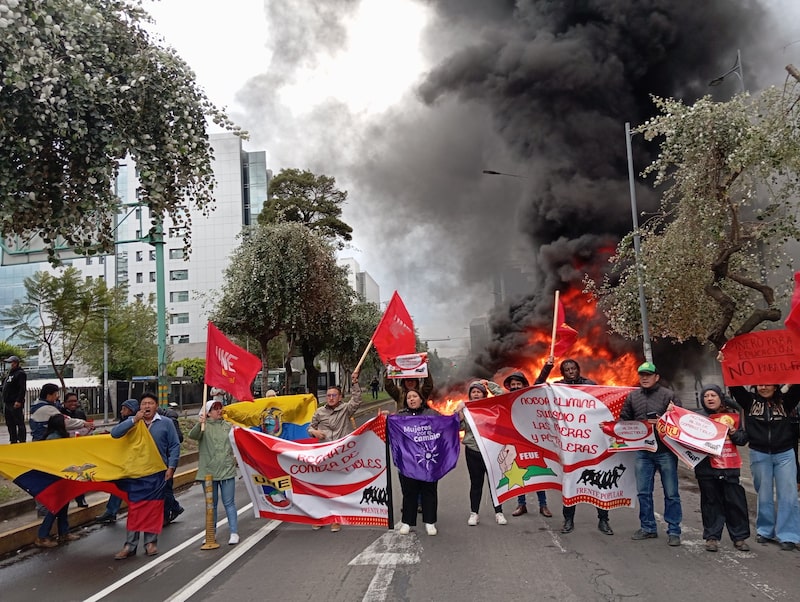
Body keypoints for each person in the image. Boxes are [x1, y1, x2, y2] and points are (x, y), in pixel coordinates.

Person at [729, 382, 800, 551]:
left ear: (776, 386)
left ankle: (788, 535)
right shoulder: (749, 401)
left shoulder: (786, 401)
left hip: (785, 454)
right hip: (759, 453)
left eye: (768, 384)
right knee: (764, 493)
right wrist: (725, 361)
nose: (764, 388)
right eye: (760, 384)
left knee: (788, 494)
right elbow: (734, 384)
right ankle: (765, 530)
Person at [619, 361, 683, 546]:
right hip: (643, 452)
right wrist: (611, 428)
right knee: (643, 492)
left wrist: (666, 418)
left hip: (665, 452)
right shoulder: (633, 397)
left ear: (656, 377)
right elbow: (625, 420)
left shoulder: (668, 396)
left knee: (671, 493)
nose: (644, 378)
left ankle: (674, 531)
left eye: (648, 375)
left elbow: (680, 423)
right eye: (642, 375)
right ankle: (648, 527)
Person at [111, 391, 180, 559]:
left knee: (153, 508)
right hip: (136, 474)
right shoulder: (132, 422)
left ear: (156, 406)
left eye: (150, 403)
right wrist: (134, 420)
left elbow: (174, 445)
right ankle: (130, 545)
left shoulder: (166, 423)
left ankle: (150, 542)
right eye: (143, 404)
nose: (147, 406)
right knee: (134, 509)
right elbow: (115, 433)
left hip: (157, 473)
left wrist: (171, 467)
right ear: (139, 407)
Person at [552, 359, 612, 536]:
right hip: (570, 444)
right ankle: (568, 520)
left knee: (599, 482)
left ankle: (603, 520)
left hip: (591, 442)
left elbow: (602, 406)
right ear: (563, 373)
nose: (571, 371)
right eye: (567, 369)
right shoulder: (557, 387)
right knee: (570, 482)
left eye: (573, 368)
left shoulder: (591, 386)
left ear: (579, 369)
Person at [694, 384, 750, 552]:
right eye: (706, 396)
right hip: (706, 469)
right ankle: (712, 537)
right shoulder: (696, 419)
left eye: (713, 395)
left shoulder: (733, 416)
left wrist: (733, 432)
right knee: (710, 502)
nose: (710, 398)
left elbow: (742, 440)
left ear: (720, 397)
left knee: (735, 502)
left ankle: (739, 538)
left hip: (729, 467)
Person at [308, 369, 361, 532]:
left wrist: (355, 382)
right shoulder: (319, 412)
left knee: (336, 488)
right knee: (322, 487)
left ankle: (336, 519)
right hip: (323, 455)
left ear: (340, 397)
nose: (330, 398)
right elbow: (310, 427)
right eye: (328, 395)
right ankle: (320, 517)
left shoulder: (346, 409)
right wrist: (314, 432)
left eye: (334, 395)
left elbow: (357, 400)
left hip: (340, 455)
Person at [188, 400, 239, 545]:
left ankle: (234, 532)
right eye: (215, 408)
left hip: (227, 470)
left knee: (229, 503)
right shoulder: (203, 426)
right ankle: (211, 533)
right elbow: (193, 435)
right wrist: (200, 423)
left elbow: (240, 437)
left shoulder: (228, 426)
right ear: (208, 412)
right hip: (208, 472)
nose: (219, 410)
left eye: (220, 408)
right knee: (212, 505)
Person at [504, 368, 552, 519]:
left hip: (533, 439)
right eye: (513, 384)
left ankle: (543, 505)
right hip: (516, 441)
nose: (516, 386)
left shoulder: (530, 395)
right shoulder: (506, 399)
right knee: (519, 473)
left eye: (519, 383)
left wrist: (548, 366)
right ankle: (521, 504)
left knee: (538, 472)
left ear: (523, 385)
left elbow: (540, 381)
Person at [458, 380, 507, 527]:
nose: (476, 394)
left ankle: (499, 512)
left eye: (479, 391)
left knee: (495, 482)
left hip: (490, 450)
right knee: (476, 483)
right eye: (473, 392)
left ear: (484, 394)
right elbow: (460, 427)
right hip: (473, 450)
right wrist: (459, 411)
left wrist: (488, 384)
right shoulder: (466, 410)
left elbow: (503, 397)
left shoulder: (491, 407)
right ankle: (474, 513)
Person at [396, 389, 441, 536]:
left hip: (428, 461)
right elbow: (392, 434)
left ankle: (430, 522)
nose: (411, 399)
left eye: (415, 396)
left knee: (429, 491)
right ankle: (407, 522)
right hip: (408, 462)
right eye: (409, 397)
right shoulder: (400, 417)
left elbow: (444, 428)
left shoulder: (432, 414)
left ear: (421, 399)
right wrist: (383, 419)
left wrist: (457, 416)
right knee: (409, 492)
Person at [34, 414, 82, 547]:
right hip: (54, 476)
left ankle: (64, 532)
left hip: (61, 475)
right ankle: (42, 536)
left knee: (63, 503)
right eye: (65, 421)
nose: (67, 422)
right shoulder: (54, 438)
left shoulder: (58, 436)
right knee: (56, 505)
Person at [96, 399, 139, 524]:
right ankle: (111, 511)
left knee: (124, 487)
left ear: (131, 410)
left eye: (124, 409)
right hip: (125, 461)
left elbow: (118, 433)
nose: (121, 411)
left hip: (130, 462)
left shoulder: (132, 421)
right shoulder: (127, 422)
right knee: (121, 487)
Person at [60, 392, 90, 507]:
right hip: (65, 448)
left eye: (75, 401)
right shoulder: (60, 414)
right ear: (65, 403)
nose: (73, 403)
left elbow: (86, 427)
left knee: (80, 475)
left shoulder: (80, 413)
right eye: (70, 401)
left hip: (79, 448)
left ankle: (80, 498)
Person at [158, 402, 185, 525]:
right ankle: (175, 507)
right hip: (158, 460)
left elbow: (178, 439)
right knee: (163, 489)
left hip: (167, 459)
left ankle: (166, 514)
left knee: (166, 489)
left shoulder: (169, 421)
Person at [2, 355, 27, 443]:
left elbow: (22, 388)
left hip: (15, 402)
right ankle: (13, 439)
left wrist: (19, 400)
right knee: (10, 423)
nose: (9, 364)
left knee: (19, 422)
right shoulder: (9, 374)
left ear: (15, 363)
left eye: (10, 362)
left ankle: (22, 439)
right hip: (7, 402)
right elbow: (6, 387)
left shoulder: (20, 373)